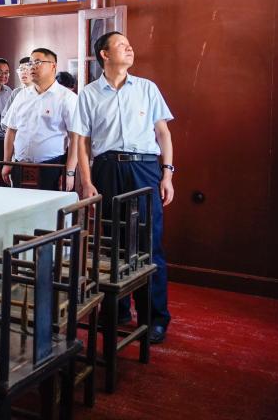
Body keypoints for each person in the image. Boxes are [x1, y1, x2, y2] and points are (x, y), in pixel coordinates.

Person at [73, 31, 175, 344]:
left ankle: (154, 317)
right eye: (121, 45)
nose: (129, 48)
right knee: (113, 242)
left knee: (148, 242)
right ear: (104, 54)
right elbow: (82, 141)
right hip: (107, 169)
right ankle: (116, 309)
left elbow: (163, 133)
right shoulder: (89, 94)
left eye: (129, 44)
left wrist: (167, 174)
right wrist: (86, 181)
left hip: (144, 168)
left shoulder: (147, 88)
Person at [0, 48, 78, 191]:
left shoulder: (67, 98)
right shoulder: (22, 95)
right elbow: (11, 130)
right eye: (30, 63)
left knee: (51, 205)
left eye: (37, 62)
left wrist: (70, 172)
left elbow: (75, 138)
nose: (32, 67)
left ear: (53, 66)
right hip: (20, 165)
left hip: (52, 167)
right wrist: (7, 162)